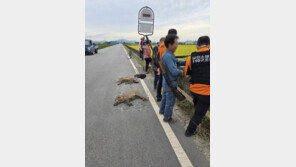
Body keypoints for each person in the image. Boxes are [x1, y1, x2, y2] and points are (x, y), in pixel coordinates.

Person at [184, 36, 210, 137]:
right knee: (199, 115)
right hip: (207, 92)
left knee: (198, 108)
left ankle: (195, 115)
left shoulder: (191, 58)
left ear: (198, 45)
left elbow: (186, 74)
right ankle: (189, 131)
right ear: (208, 45)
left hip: (194, 90)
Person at [159, 34, 185, 123]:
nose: (177, 46)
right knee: (170, 102)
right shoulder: (167, 56)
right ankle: (167, 118)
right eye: (176, 44)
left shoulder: (168, 54)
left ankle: (162, 111)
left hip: (166, 81)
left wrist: (187, 61)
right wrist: (181, 72)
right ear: (170, 44)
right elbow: (174, 71)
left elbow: (177, 61)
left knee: (165, 98)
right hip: (170, 82)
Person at [156, 29, 178, 102]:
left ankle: (159, 95)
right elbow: (170, 55)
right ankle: (162, 96)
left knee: (161, 80)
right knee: (166, 82)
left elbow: (159, 55)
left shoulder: (161, 44)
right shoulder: (168, 43)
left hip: (161, 64)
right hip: (166, 65)